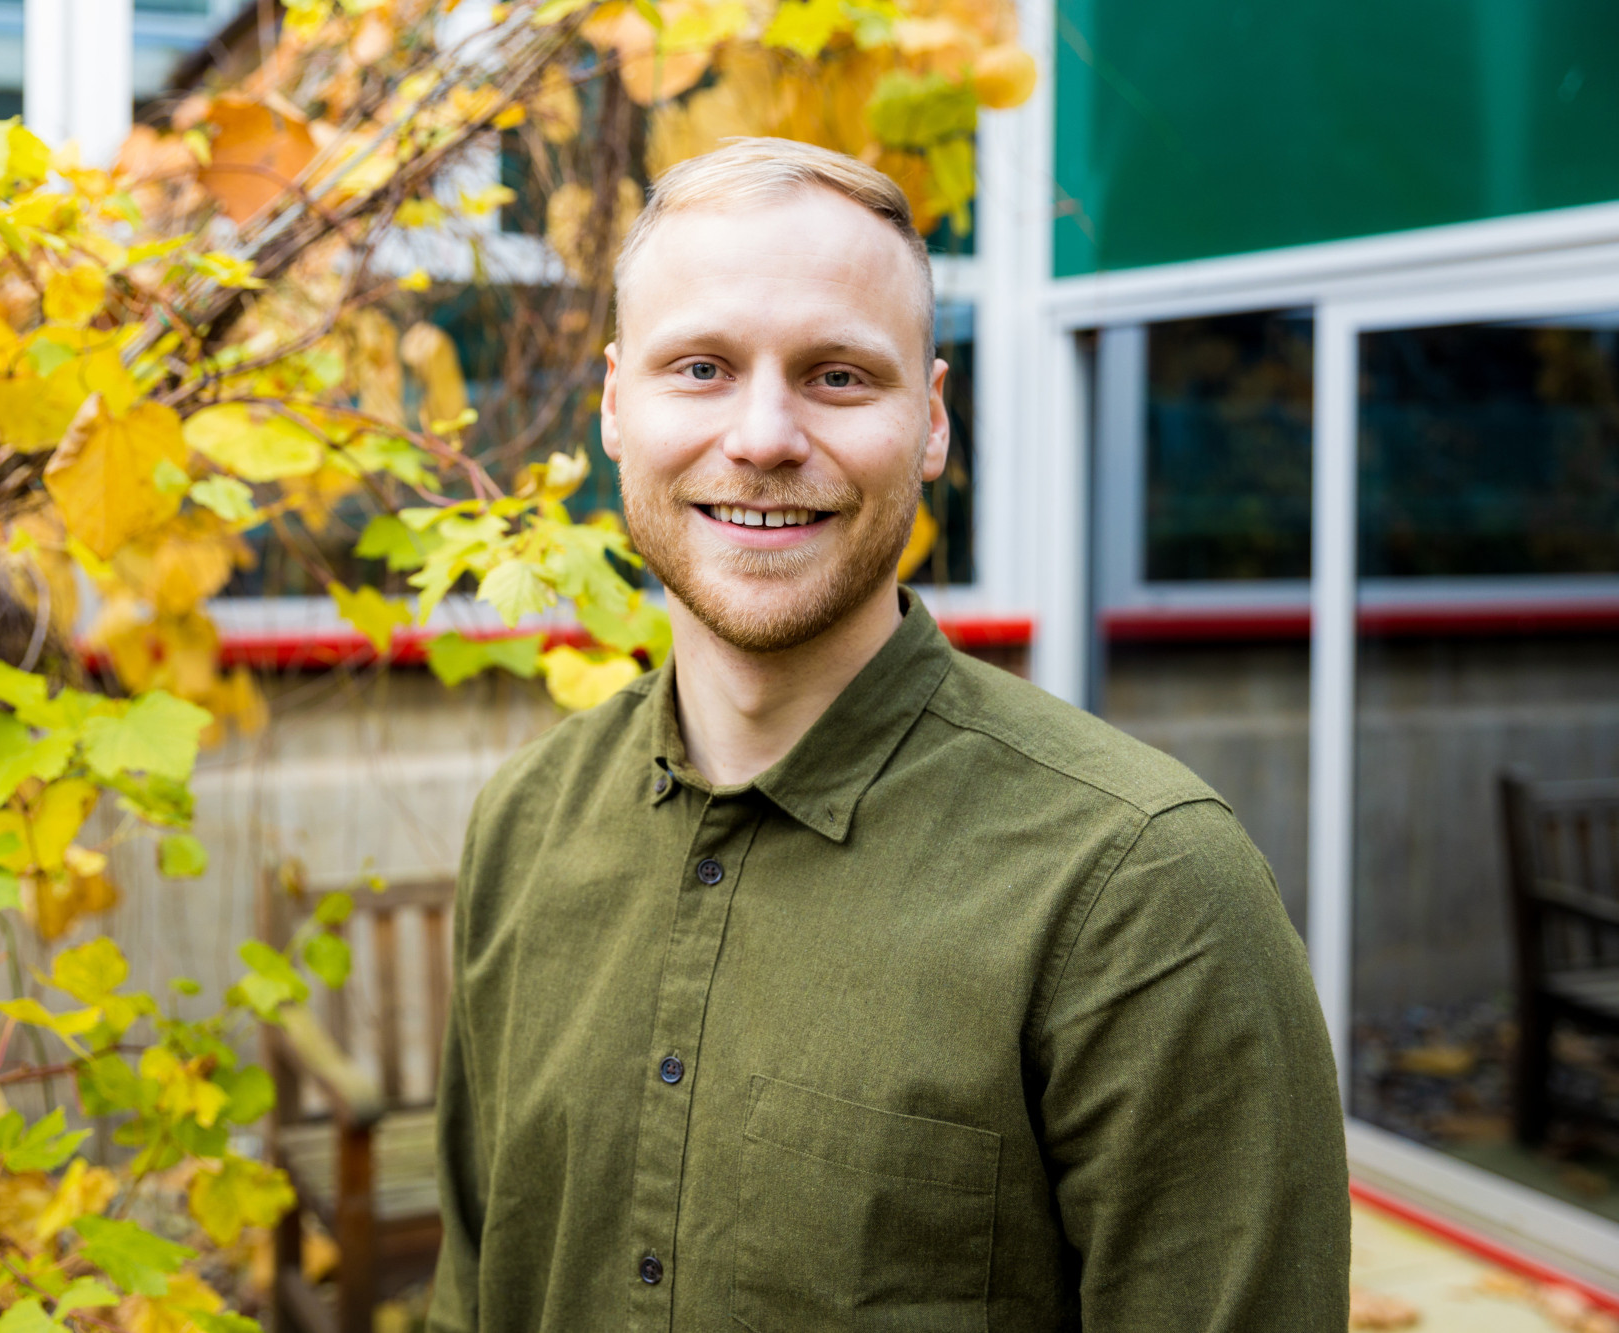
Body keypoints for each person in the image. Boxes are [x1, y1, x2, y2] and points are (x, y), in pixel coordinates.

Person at [427, 136, 1348, 1332]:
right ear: (613, 403)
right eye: (699, 367)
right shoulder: (525, 823)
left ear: (929, 420)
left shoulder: (1141, 891)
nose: (761, 436)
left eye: (837, 377)